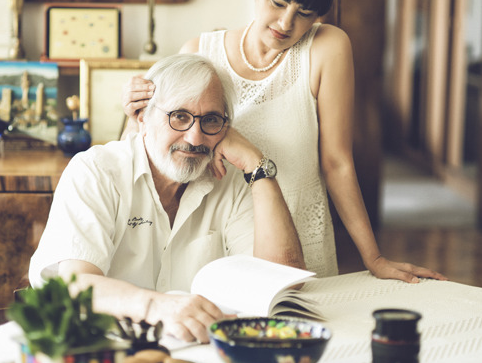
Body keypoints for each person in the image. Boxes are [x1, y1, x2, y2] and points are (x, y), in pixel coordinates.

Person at [122, 0, 447, 284]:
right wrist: (134, 114)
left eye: (304, 13)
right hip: (216, 243)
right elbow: (157, 154)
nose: (285, 23)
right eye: (277, 3)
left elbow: (337, 162)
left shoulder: (327, 49)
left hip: (299, 243)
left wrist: (375, 258)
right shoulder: (200, 51)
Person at [29, 53, 305, 343]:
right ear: (142, 117)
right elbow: (76, 286)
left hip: (200, 355)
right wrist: (158, 306)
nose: (195, 138)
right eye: (179, 117)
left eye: (210, 120)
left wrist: (257, 166)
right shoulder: (96, 171)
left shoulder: (232, 182)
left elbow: (282, 284)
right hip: (102, 349)